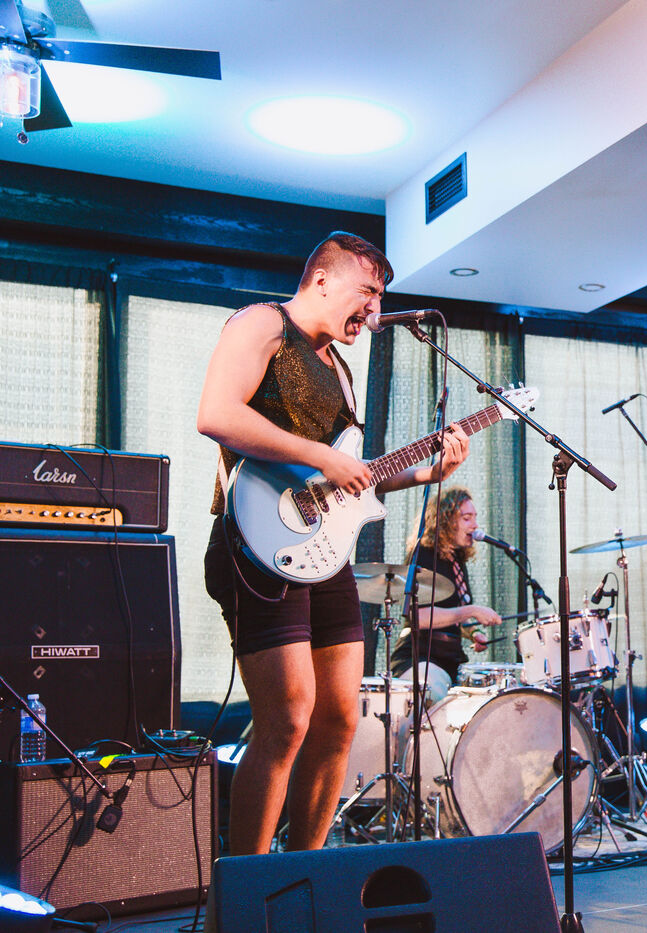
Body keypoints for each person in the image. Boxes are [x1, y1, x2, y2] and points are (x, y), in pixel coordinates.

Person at [198, 231, 472, 855]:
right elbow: (216, 413)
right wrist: (319, 454)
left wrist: (422, 473)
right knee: (288, 719)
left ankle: (307, 876)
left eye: (380, 299)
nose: (374, 311)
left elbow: (347, 479)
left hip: (324, 557)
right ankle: (244, 895)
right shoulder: (262, 324)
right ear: (322, 279)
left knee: (339, 719)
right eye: (368, 293)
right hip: (253, 548)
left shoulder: (341, 371)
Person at [389, 487, 504, 705]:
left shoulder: (456, 560)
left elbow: (452, 615)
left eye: (475, 518)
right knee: (436, 701)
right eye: (466, 518)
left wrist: (474, 632)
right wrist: (472, 611)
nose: (475, 525)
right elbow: (419, 617)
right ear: (444, 520)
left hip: (449, 662)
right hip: (420, 659)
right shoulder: (424, 554)